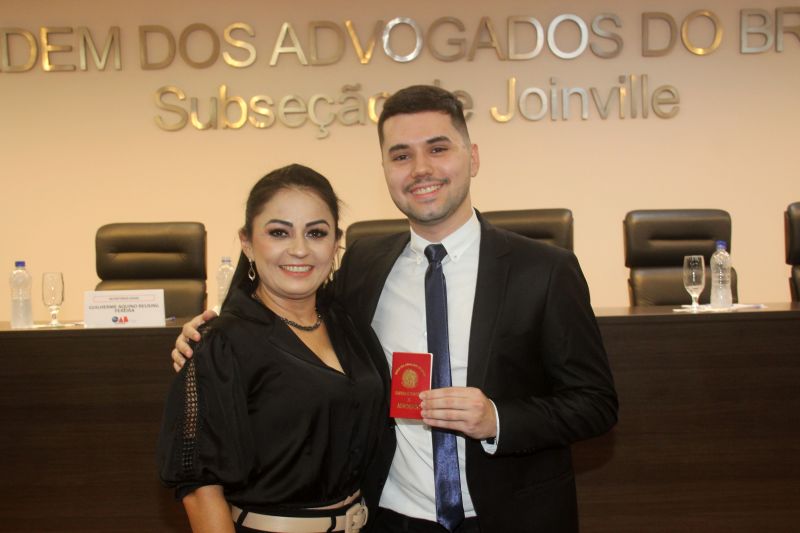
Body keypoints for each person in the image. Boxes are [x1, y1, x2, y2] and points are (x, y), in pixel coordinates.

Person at [174, 86, 618, 533]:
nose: (421, 169)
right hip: (389, 519)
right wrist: (209, 337)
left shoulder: (544, 270)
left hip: (511, 518)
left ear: (473, 157)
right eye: (401, 155)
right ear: (385, 170)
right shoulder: (364, 264)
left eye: (438, 149)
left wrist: (496, 419)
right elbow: (291, 319)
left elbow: (595, 403)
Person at [158, 164, 384, 533]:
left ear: (335, 243)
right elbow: (200, 489)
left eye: (316, 233)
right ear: (247, 242)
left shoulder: (348, 323)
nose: (299, 249)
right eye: (279, 232)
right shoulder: (222, 343)